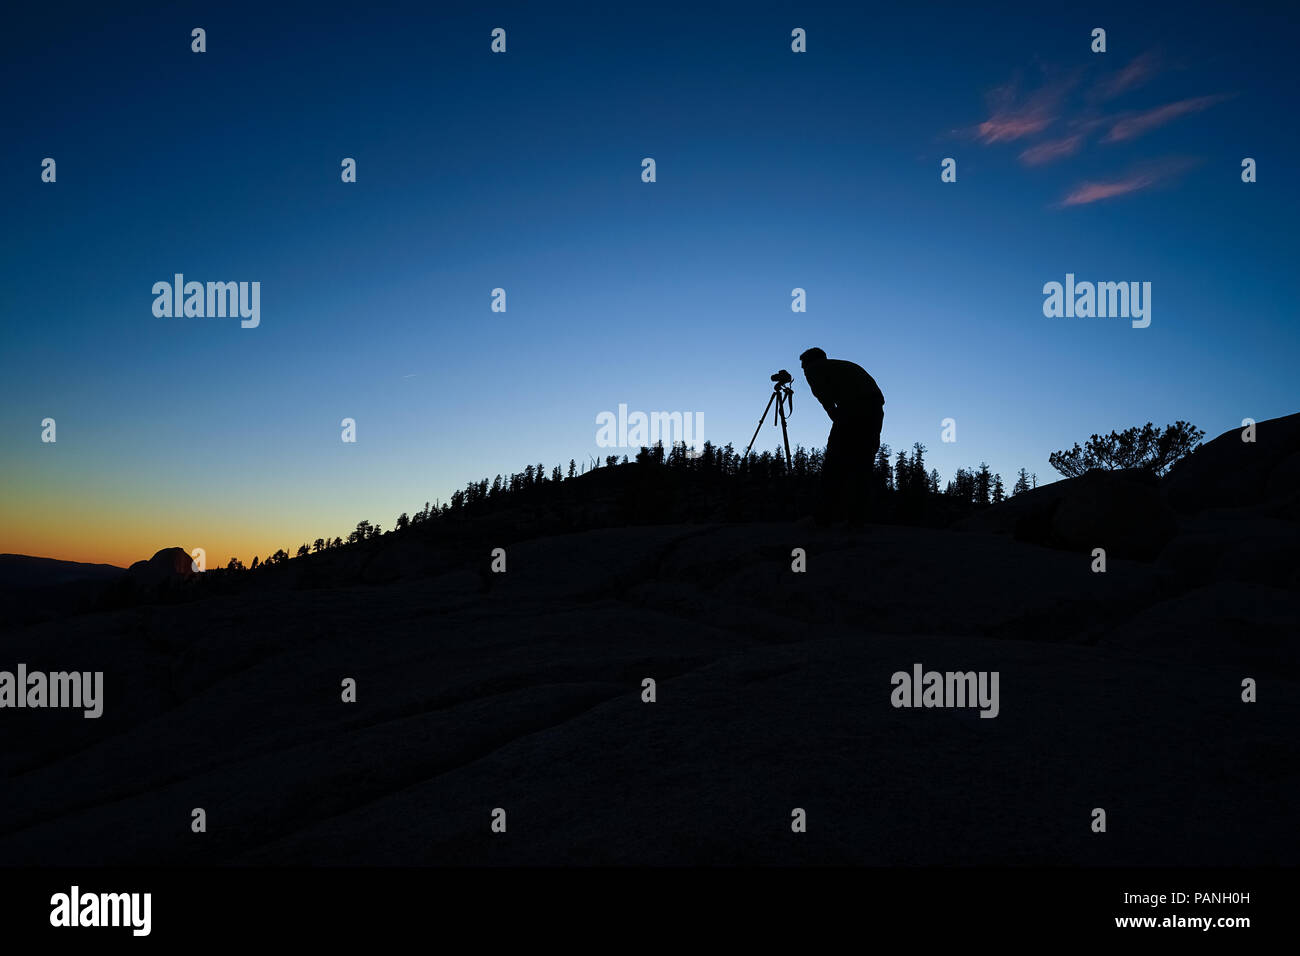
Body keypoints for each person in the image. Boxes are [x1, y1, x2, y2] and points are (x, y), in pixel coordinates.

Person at [799, 347, 885, 526]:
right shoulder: (842, 366)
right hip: (874, 410)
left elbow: (825, 398)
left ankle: (822, 518)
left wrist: (838, 420)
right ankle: (857, 520)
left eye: (803, 366)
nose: (803, 371)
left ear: (809, 362)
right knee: (863, 463)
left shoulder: (814, 369)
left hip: (853, 409)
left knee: (834, 463)